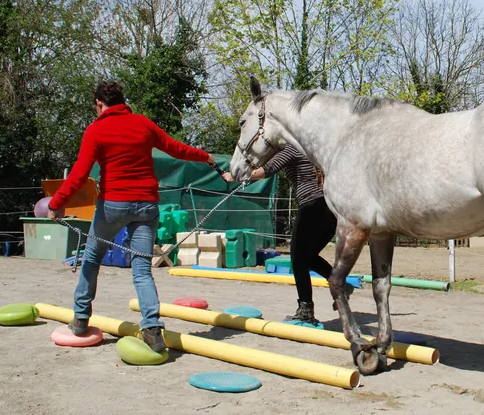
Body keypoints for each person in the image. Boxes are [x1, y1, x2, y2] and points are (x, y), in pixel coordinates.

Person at [47, 80, 219, 352]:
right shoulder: (143, 124)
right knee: (141, 269)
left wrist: (56, 203)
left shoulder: (96, 129)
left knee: (92, 257)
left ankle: (80, 319)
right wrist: (205, 156)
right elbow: (175, 148)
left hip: (113, 205)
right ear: (122, 101)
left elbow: (80, 173)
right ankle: (152, 327)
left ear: (99, 104)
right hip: (147, 205)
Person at [250, 145, 352, 325]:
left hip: (311, 206)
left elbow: (267, 170)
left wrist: (235, 175)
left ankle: (306, 309)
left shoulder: (291, 148)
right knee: (309, 257)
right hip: (330, 209)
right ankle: (340, 283)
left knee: (297, 259)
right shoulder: (311, 148)